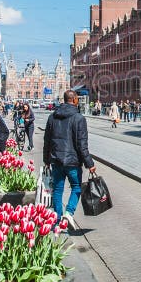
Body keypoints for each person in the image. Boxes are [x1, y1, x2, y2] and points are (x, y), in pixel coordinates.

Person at [42, 90, 96, 230]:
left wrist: (46, 159)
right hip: (73, 161)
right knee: (77, 187)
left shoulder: (52, 117)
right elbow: (82, 144)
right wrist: (90, 163)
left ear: (64, 99)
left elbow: (46, 140)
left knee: (58, 190)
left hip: (56, 160)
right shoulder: (79, 118)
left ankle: (57, 220)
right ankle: (69, 212)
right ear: (75, 100)